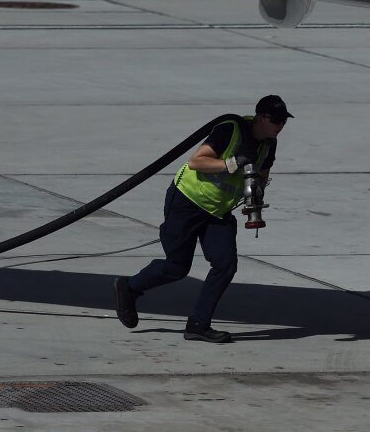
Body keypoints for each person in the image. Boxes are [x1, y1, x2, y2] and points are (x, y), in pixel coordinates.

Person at [113, 95, 293, 343]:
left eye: (283, 122)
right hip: (187, 202)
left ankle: (198, 324)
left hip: (217, 212)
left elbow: (262, 175)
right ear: (261, 118)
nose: (280, 126)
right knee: (177, 267)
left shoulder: (269, 144)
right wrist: (231, 164)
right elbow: (196, 161)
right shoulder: (230, 129)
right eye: (275, 121)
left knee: (225, 264)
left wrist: (256, 197)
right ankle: (129, 288)